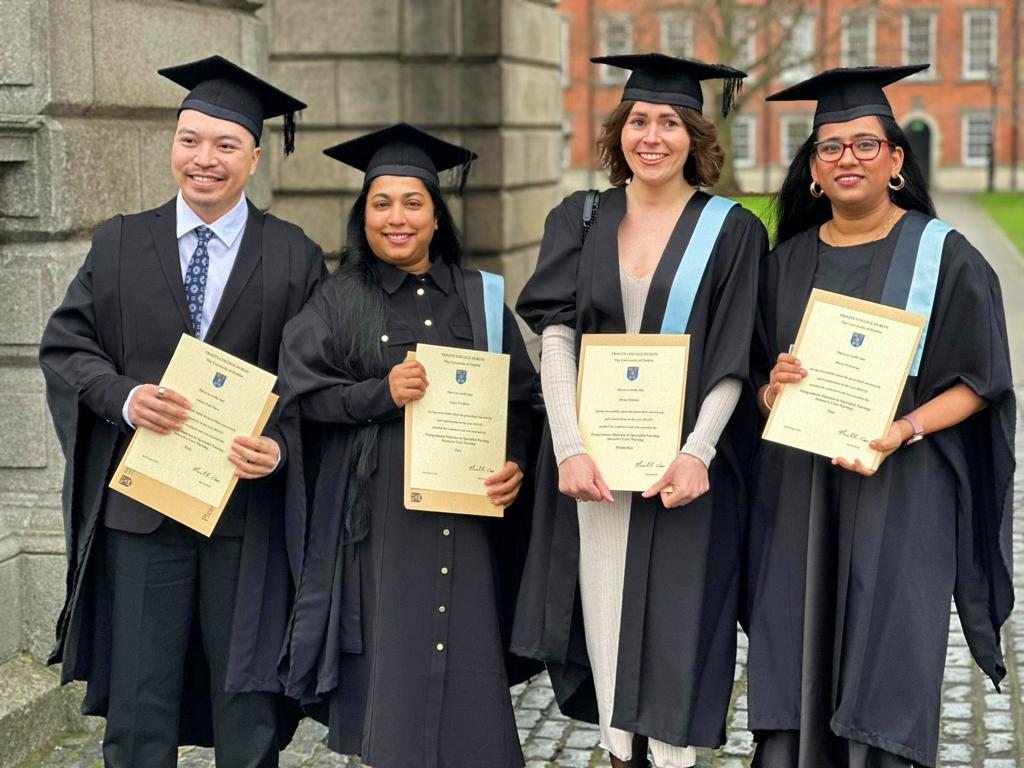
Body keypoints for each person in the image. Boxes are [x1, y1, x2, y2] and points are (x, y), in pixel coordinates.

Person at [39, 55, 325, 767]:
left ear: (254, 157)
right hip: (142, 513)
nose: (204, 160)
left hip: (243, 517)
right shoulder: (118, 243)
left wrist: (282, 448)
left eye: (225, 145)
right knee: (139, 703)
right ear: (172, 145)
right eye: (190, 140)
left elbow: (313, 380)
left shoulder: (293, 256)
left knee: (248, 701)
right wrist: (127, 398)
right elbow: (67, 350)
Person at [746, 65, 1015, 768]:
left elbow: (983, 382)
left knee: (887, 661)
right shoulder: (784, 264)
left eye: (865, 144)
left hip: (904, 492)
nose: (847, 159)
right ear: (812, 169)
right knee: (797, 653)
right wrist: (772, 391)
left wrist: (905, 428)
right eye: (830, 147)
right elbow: (754, 384)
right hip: (802, 497)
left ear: (896, 160)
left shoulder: (944, 256)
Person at [512, 54, 767, 768]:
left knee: (681, 641)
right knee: (609, 635)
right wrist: (568, 445)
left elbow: (735, 352)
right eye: (637, 121)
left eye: (668, 122)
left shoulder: (732, 230)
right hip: (596, 469)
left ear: (695, 133)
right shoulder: (582, 216)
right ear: (618, 131)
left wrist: (700, 452)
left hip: (685, 471)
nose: (650, 136)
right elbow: (556, 333)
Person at [276, 123, 540, 768]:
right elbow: (299, 399)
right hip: (381, 528)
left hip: (471, 521)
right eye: (381, 203)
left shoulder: (481, 297)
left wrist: (518, 463)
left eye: (413, 202)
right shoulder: (337, 301)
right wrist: (378, 394)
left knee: (472, 688)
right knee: (393, 704)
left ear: (435, 214)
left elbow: (524, 400)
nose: (397, 218)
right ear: (362, 215)